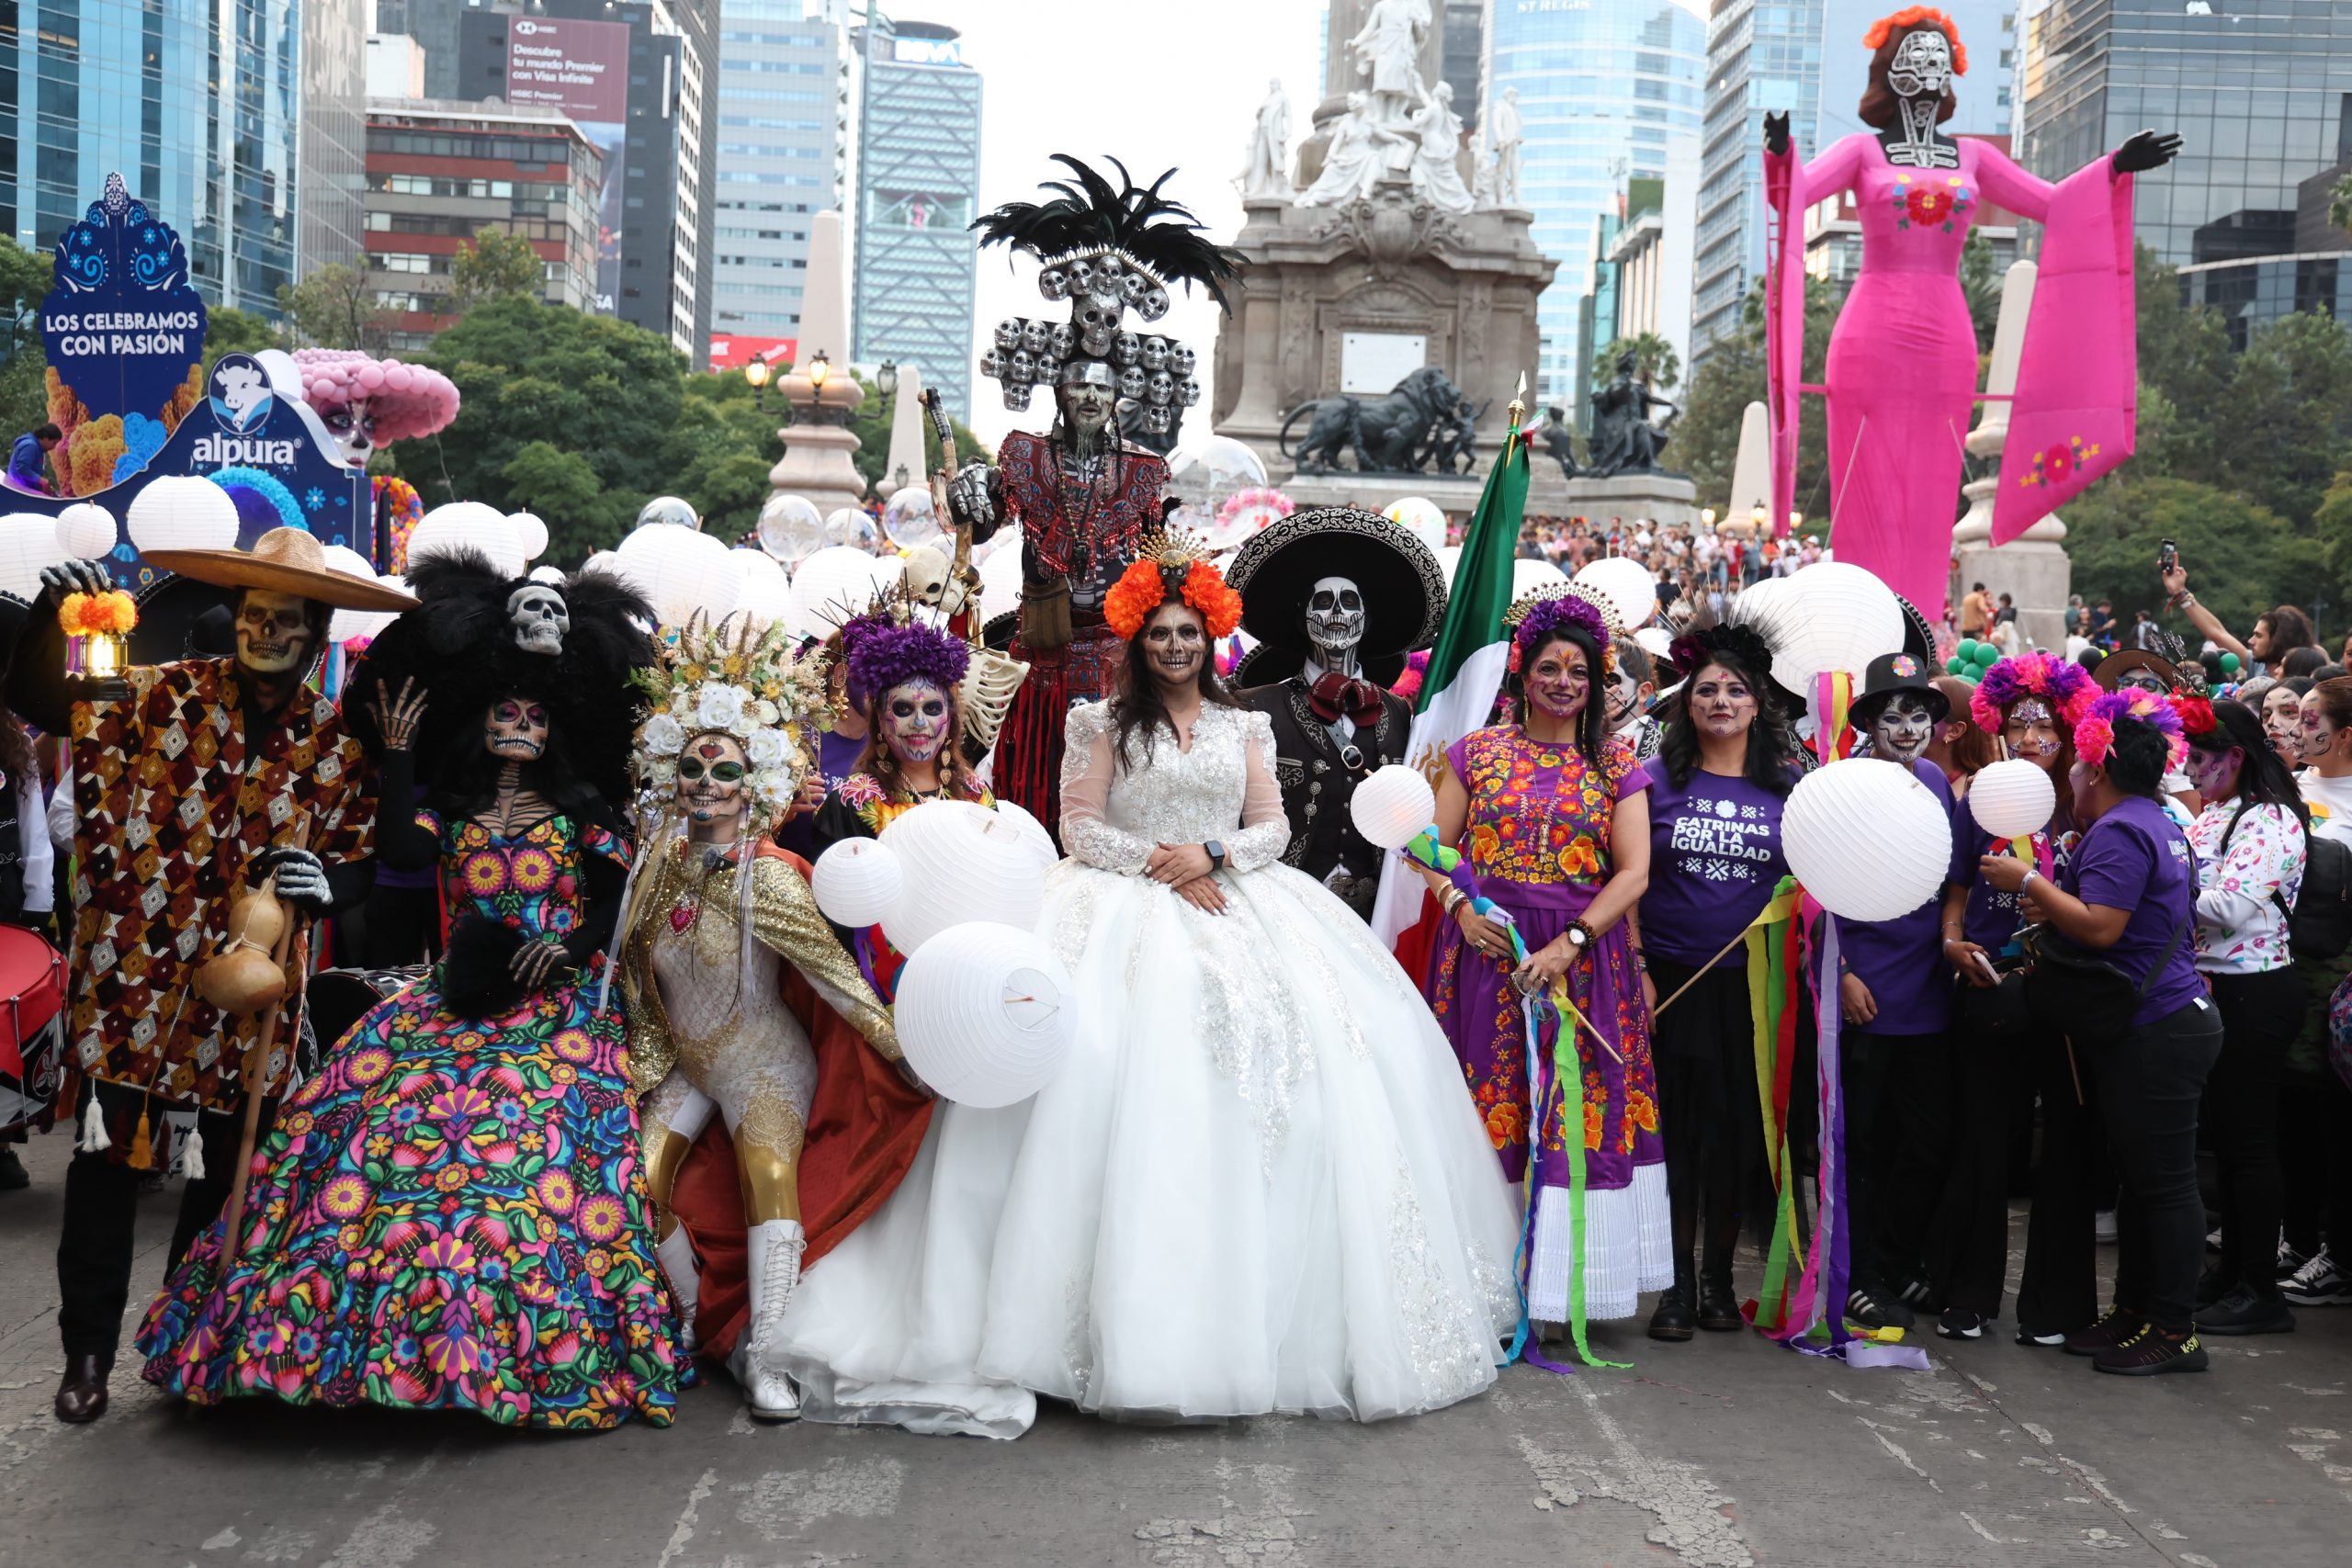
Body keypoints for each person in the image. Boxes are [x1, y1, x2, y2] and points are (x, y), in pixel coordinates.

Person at [775, 536, 1519, 1435]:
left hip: (1244, 900)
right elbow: (1078, 826)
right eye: (1160, 635)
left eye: (1188, 634)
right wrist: (1163, 865)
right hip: (1114, 903)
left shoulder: (1245, 724)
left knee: (1305, 1085)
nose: (1174, 648)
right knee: (1088, 1083)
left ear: (1210, 640)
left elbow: (1273, 826)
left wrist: (1212, 853)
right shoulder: (1096, 722)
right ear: (1137, 641)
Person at [136, 552, 687, 1428]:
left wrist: (569, 950)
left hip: (553, 1018)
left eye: (531, 715)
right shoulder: (455, 815)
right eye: (502, 711)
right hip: (445, 1004)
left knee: (516, 1149)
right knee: (352, 1130)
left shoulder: (585, 819)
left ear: (557, 728)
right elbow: (398, 851)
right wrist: (398, 754)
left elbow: (612, 911)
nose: (515, 724)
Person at [11, 532, 413, 1424]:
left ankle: (180, 1339)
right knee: (107, 1173)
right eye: (255, 614)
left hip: (251, 999)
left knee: (224, 1178)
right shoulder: (158, 693)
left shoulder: (336, 745)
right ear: (237, 618)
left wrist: (324, 883)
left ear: (316, 632)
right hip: (135, 989)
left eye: (288, 620)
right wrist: (55, 620)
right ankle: (85, 1355)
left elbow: (361, 862)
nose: (266, 630)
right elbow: (46, 697)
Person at [1761, 7, 2177, 618]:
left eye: (1937, 54)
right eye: (1914, 55)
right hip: (1869, 335)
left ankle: (1921, 629)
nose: (1927, 65)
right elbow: (1795, 193)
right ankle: (1856, 618)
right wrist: (1780, 152)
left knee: (1934, 491)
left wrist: (2114, 166)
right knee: (1867, 486)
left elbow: (2057, 205)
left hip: (1945, 338)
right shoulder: (1860, 150)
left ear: (1953, 70)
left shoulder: (1974, 158)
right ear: (1890, 72)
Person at [616, 613, 924, 1421]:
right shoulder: (655, 866)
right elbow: (642, 988)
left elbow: (831, 977)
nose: (708, 782)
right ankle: (682, 1320)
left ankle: (770, 1355)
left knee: (769, 1179)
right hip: (691, 1059)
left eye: (726, 768)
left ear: (754, 782)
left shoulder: (775, 876)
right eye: (693, 767)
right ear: (670, 776)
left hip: (765, 1062)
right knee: (639, 1179)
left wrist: (896, 1047)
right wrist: (643, 1066)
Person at [954, 156, 1239, 835]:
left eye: (1102, 388)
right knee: (1033, 802)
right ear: (1059, 390)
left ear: (1118, 400)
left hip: (1115, 665)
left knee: (1114, 807)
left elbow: (1158, 562)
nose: (1088, 394)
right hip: (1042, 661)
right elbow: (983, 519)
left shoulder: (1142, 472)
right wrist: (967, 491)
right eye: (1078, 384)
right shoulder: (1026, 455)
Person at [1414, 586, 1666, 1333]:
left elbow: (1634, 872)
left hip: (1585, 963)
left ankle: (1562, 1289)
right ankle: (1480, 1285)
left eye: (1580, 672)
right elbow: (1428, 847)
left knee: (1571, 1113)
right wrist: (1457, 904)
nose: (1564, 682)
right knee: (1483, 1105)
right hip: (1484, 954)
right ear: (1523, 673)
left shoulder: (1616, 765)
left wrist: (1572, 943)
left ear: (1597, 685)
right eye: (1551, 667)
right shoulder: (1476, 753)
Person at [1979, 690, 2221, 1374]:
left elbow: (2102, 925)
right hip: (2162, 1023)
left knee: (2166, 1185)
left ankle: (2175, 1330)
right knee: (2144, 1182)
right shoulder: (2158, 819)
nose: (2073, 779)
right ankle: (2136, 1311)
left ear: (2102, 769)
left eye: (2081, 769)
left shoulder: (2121, 828)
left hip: (2157, 1027)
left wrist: (2029, 878)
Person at [1637, 624, 1801, 1339]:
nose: (1721, 699)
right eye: (1707, 689)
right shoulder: (1654, 781)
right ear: (1687, 702)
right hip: (1671, 983)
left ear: (1758, 701)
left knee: (1735, 1133)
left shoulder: (1789, 788)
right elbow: (1629, 881)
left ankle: (1715, 1282)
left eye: (1735, 689)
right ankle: (1671, 1285)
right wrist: (1638, 967)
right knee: (1677, 1133)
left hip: (1755, 988)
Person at [1945, 650, 2098, 1346]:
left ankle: (2056, 1307)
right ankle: (1968, 1293)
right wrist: (1952, 939)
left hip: (2066, 991)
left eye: (2047, 725)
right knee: (1981, 1137)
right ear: (1997, 724)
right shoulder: (1979, 793)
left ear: (2071, 730)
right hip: (1988, 984)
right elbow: (1954, 888)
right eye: (2019, 722)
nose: (2033, 738)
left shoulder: (2090, 801)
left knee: (2065, 1146)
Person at [1230, 505, 1442, 920]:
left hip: (1375, 918)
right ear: (1303, 617)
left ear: (1364, 618)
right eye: (1324, 602)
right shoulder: (1256, 705)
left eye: (1350, 603)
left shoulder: (1398, 711)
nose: (1337, 615)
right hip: (1280, 911)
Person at [2176, 697, 2308, 1336]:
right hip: (2218, 989)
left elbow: (2227, 906)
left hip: (2257, 992)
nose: (2189, 767)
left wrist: (2153, 886)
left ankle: (2261, 1288)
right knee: (2226, 1143)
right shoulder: (2219, 814)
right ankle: (2231, 1273)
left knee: (2250, 1144)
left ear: (2235, 755)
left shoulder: (2273, 819)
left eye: (2200, 756)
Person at [1835, 653, 1956, 1331]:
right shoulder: (1843, 786)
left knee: (1927, 1140)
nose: (1907, 729)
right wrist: (1843, 969)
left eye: (1918, 715)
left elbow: (1954, 876)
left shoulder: (1939, 780)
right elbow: (1811, 892)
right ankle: (1862, 1274)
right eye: (1893, 716)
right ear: (1869, 725)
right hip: (1866, 995)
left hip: (1930, 995)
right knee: (1864, 1145)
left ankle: (1897, 1255)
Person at [809, 609, 994, 995]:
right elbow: (837, 913)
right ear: (880, 718)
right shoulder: (853, 800)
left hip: (969, 967)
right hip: (885, 980)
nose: (920, 724)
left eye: (932, 709)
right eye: (903, 709)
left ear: (951, 717)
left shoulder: (975, 792)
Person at [2281, 676, 2352, 1306]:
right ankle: (2297, 1236)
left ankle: (2335, 1248)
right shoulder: (2293, 787)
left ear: (2345, 734)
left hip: (2340, 978)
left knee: (2333, 1116)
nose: (2298, 730)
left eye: (2310, 720)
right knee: (2293, 1110)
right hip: (2286, 968)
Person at [0, 700, 59, 1191]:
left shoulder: (15, 745)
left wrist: (39, 901)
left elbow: (33, 825)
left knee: (2, 1024)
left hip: (2, 898)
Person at [7, 423, 60, 493]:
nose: (54, 447)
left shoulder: (38, 449)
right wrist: (41, 480)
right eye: (54, 443)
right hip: (19, 491)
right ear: (45, 438)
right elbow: (22, 468)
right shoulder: (30, 446)